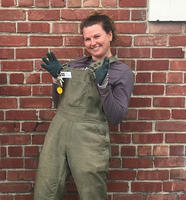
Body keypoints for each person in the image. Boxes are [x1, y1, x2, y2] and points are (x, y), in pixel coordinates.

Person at [34, 11, 134, 200]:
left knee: (92, 193)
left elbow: (116, 117)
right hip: (59, 130)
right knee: (46, 189)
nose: (92, 43)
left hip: (90, 136)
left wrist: (103, 84)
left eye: (97, 36)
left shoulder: (122, 72)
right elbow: (59, 100)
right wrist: (57, 79)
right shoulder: (74, 65)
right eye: (87, 39)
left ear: (110, 35)